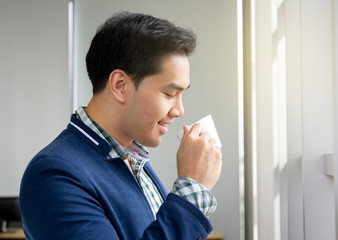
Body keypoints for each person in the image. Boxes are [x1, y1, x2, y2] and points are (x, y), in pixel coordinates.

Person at [19, 12, 222, 240]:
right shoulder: (55, 175)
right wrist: (191, 190)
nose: (179, 110)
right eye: (169, 93)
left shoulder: (133, 161)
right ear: (120, 85)